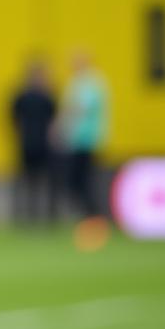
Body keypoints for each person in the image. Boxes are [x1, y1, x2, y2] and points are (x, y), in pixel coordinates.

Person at [59, 50, 109, 217]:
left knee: (82, 180)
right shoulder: (78, 82)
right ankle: (89, 214)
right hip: (77, 140)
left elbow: (79, 109)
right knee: (77, 181)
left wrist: (61, 128)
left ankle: (92, 214)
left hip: (86, 140)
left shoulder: (91, 83)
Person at [9, 58, 59, 223]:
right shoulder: (28, 97)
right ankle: (29, 216)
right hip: (29, 144)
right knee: (29, 183)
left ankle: (45, 216)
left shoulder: (41, 97)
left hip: (40, 144)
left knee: (43, 182)